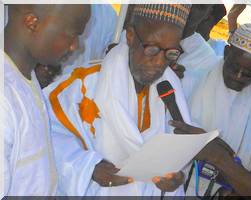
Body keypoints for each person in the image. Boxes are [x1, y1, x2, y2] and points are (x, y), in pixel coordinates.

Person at [43, 4, 195, 196]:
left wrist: (176, 177)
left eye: (170, 53)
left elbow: (176, 154)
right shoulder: (82, 83)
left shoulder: (170, 93)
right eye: (151, 49)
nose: (159, 62)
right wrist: (90, 167)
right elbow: (41, 131)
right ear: (130, 36)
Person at [1, 4, 90, 196]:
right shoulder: (4, 97)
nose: (76, 46)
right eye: (72, 33)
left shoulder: (24, 76)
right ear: (32, 22)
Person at [188, 23, 251, 195]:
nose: (238, 77)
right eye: (233, 67)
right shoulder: (192, 81)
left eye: (248, 74)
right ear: (226, 53)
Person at [174, 4, 219, 100]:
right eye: (186, 2)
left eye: (199, 6)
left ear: (208, 13)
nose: (190, 10)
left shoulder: (208, 62)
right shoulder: (141, 37)